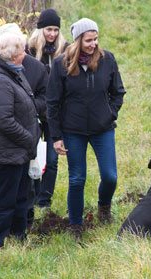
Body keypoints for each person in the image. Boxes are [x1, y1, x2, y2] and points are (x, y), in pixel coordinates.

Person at [46, 18, 126, 240]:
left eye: (95, 39)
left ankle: (104, 207)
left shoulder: (106, 59)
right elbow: (52, 102)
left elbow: (118, 91)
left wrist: (110, 113)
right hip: (73, 131)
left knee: (110, 176)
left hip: (103, 129)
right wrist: (56, 136)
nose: (93, 44)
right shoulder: (61, 64)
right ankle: (75, 226)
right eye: (88, 40)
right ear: (78, 41)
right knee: (77, 178)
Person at [0, 23, 48, 230]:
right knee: (3, 201)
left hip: (16, 150)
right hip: (6, 150)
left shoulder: (12, 72)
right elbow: (4, 120)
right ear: (13, 56)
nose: (26, 54)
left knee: (19, 197)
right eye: (23, 51)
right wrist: (28, 139)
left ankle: (17, 237)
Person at [27, 9, 69, 210]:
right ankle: (34, 194)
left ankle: (45, 200)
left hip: (57, 114)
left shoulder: (66, 50)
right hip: (35, 112)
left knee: (52, 159)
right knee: (33, 156)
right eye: (48, 29)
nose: (52, 34)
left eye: (55, 29)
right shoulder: (29, 51)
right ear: (40, 29)